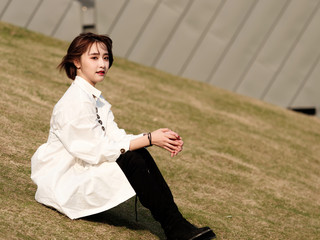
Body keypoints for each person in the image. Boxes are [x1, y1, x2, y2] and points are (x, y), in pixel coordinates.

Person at [31, 32, 216, 240]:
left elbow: (115, 137)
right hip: (66, 186)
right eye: (94, 58)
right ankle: (176, 227)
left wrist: (155, 138)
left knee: (138, 152)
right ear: (77, 61)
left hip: (82, 172)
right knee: (133, 157)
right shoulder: (74, 101)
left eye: (106, 58)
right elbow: (96, 151)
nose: (102, 64)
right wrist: (148, 138)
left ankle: (178, 225)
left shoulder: (94, 99)